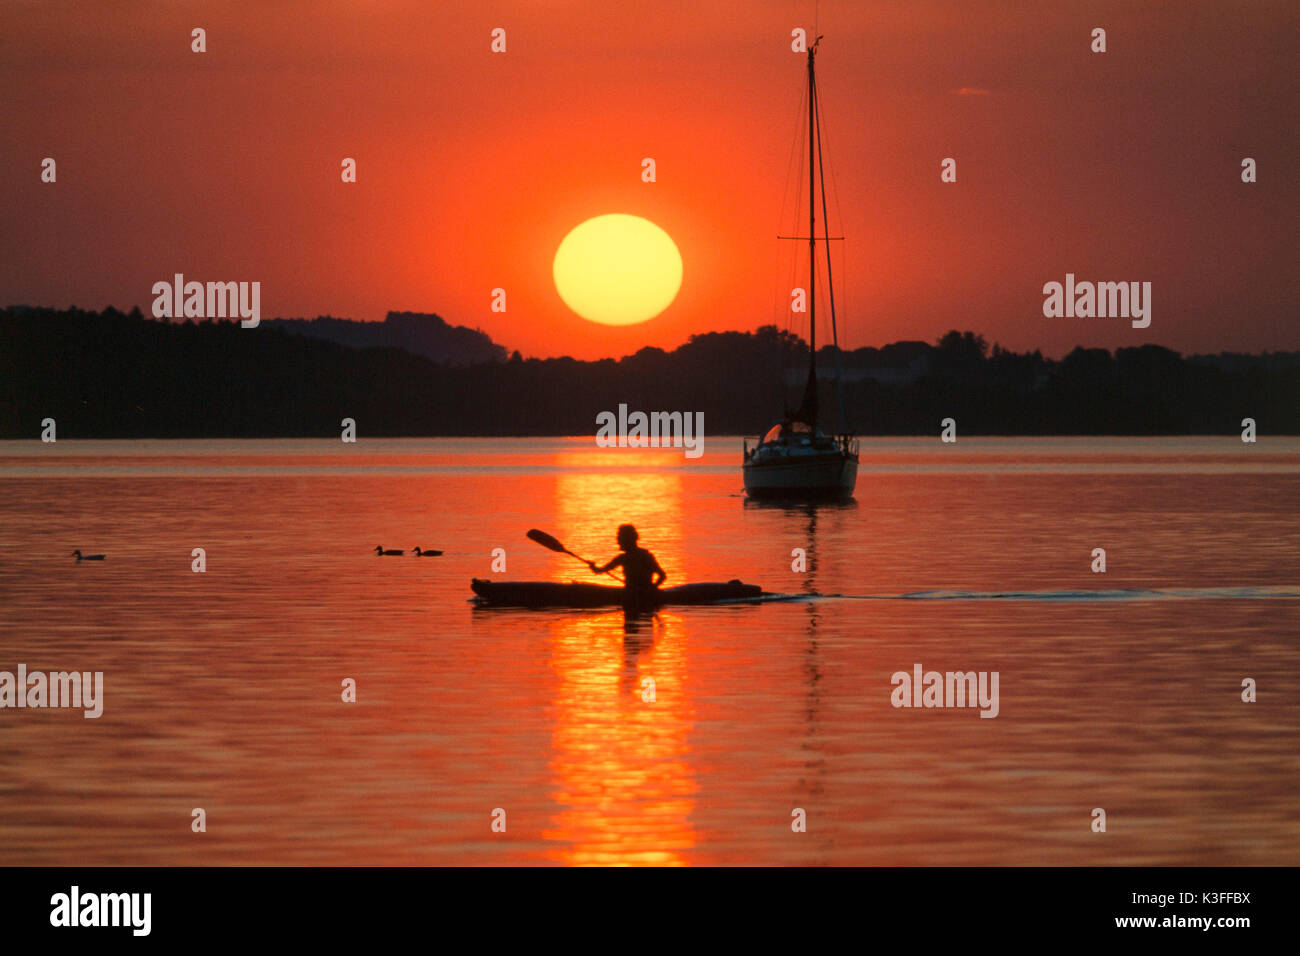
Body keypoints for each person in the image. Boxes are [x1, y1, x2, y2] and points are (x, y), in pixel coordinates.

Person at [588, 525, 666, 596]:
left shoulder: (644, 556)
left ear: (628, 540)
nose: (618, 542)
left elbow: (662, 575)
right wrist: (592, 566)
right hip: (632, 591)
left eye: (620, 539)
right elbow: (599, 571)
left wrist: (652, 588)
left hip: (639, 593)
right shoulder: (623, 558)